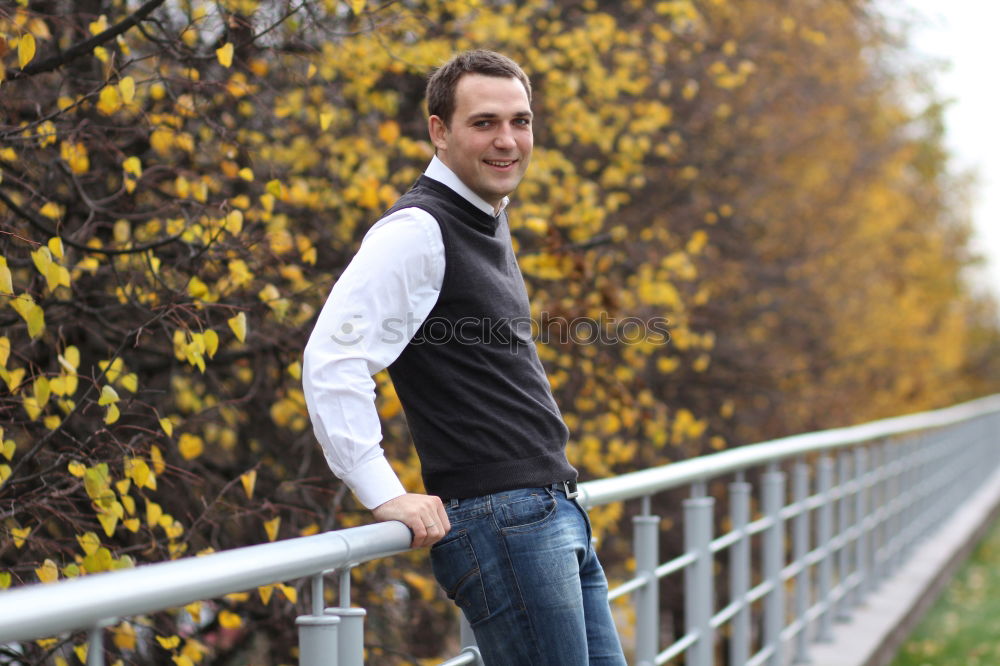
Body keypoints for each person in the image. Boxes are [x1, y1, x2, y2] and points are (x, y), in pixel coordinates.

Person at [302, 49, 626, 665]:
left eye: (520, 121)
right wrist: (382, 490)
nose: (507, 140)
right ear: (439, 130)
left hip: (551, 511)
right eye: (484, 123)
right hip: (505, 525)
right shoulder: (416, 230)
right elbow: (332, 358)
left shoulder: (486, 215)